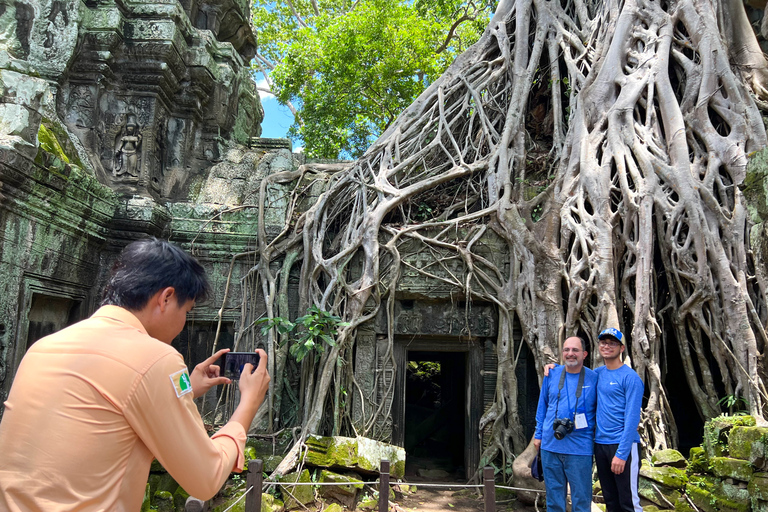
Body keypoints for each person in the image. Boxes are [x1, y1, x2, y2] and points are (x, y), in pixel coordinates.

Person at [0, 238, 271, 512]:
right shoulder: (157, 359)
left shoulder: (44, 347)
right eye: (186, 311)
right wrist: (248, 403)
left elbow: (109, 406)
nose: (183, 323)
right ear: (166, 298)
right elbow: (206, 478)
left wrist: (189, 386)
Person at [534, 336, 598, 512]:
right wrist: (538, 434)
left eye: (575, 350)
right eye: (566, 350)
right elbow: (542, 406)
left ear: (584, 354)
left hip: (579, 449)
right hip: (550, 445)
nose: (570, 354)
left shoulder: (594, 378)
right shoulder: (551, 374)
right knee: (554, 500)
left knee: (581, 500)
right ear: (562, 353)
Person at [594, 328, 644, 512]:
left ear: (622, 348)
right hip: (600, 444)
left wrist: (622, 454)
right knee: (611, 501)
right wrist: (551, 367)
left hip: (623, 445)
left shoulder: (630, 378)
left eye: (612, 343)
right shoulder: (596, 374)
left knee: (628, 502)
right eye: (604, 343)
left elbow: (632, 419)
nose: (607, 346)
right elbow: (572, 371)